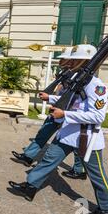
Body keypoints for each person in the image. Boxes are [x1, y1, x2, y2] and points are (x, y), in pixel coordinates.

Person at [9, 44, 108, 214]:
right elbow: (69, 101)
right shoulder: (78, 80)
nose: (71, 62)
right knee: (48, 159)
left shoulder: (97, 86)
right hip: (68, 134)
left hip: (87, 137)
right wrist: (50, 98)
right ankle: (30, 186)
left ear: (84, 61)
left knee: (97, 175)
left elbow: (98, 116)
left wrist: (65, 114)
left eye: (75, 60)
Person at [11, 47, 87, 180]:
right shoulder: (67, 72)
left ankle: (79, 169)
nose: (60, 61)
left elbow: (70, 96)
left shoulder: (77, 75)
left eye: (63, 58)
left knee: (76, 144)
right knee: (44, 133)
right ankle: (29, 156)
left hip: (67, 113)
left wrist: (54, 99)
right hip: (59, 109)